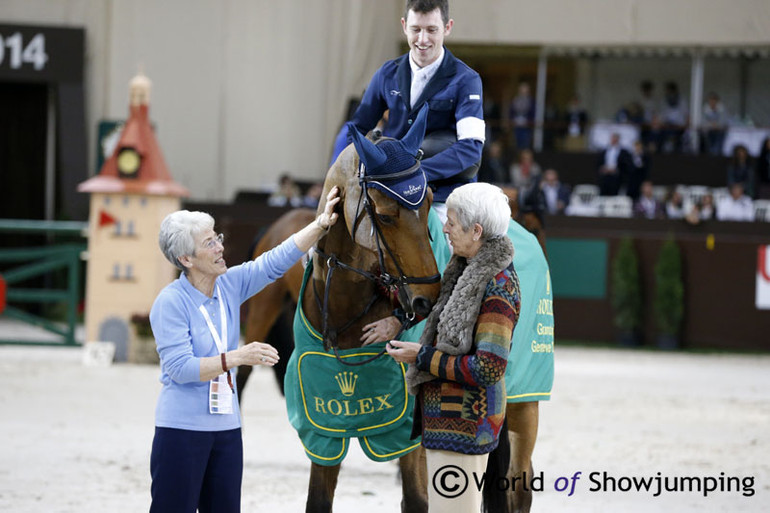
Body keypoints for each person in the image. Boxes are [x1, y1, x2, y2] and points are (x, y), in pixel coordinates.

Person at [148, 187, 341, 512]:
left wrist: (320, 224)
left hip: (226, 429)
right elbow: (180, 369)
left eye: (217, 237)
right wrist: (239, 357)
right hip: (181, 431)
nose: (220, 246)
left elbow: (274, 261)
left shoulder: (229, 285)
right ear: (186, 259)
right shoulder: (170, 303)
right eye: (209, 243)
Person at [386, 182, 520, 512]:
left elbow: (488, 366)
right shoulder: (462, 270)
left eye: (452, 221)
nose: (444, 226)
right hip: (448, 423)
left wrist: (422, 356)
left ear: (476, 231)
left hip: (466, 427)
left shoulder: (498, 283)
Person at [331, 0, 485, 223]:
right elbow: (356, 129)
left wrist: (412, 173)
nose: (422, 39)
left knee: (452, 247)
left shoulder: (467, 80)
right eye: (416, 29)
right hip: (387, 188)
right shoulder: (386, 73)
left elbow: (471, 148)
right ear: (404, 26)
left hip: (445, 194)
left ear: (447, 27)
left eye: (432, 30)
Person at [509, 81, 535, 150]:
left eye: (525, 89)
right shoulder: (515, 100)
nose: (523, 91)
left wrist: (528, 121)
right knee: (517, 143)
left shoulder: (530, 101)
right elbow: (511, 111)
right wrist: (513, 120)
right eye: (521, 89)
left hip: (526, 126)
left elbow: (532, 113)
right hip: (516, 125)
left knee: (525, 144)